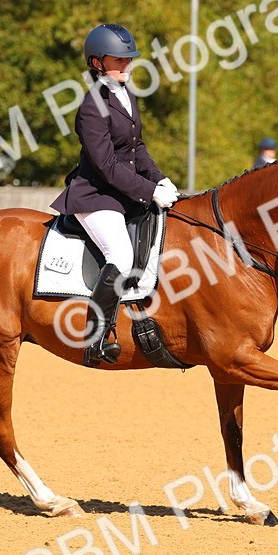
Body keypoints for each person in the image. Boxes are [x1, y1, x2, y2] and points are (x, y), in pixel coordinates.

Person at [50, 23, 180, 367]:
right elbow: (106, 165)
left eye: (129, 59)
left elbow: (138, 148)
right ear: (97, 63)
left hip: (124, 194)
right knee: (121, 255)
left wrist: (161, 179)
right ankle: (95, 336)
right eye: (118, 60)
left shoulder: (127, 95)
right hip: (95, 196)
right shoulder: (92, 106)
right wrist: (149, 191)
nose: (126, 65)